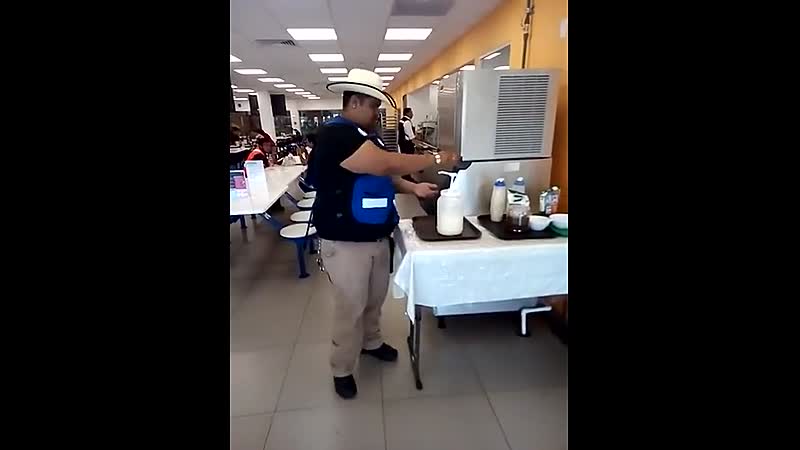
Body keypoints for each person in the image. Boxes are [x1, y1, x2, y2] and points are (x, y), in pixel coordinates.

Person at [310, 68, 456, 399]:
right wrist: (435, 157)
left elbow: (381, 175)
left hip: (376, 234)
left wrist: (413, 187)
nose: (377, 112)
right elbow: (384, 164)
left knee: (374, 299)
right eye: (373, 106)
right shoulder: (336, 135)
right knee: (351, 306)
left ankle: (371, 342)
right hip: (346, 241)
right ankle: (341, 368)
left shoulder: (366, 135)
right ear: (355, 102)